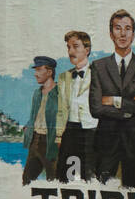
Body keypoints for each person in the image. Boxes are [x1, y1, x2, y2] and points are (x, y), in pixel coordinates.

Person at [88, 9, 135, 189]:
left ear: (133, 34)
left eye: (127, 28)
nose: (123, 33)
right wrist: (132, 103)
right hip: (106, 142)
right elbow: (95, 108)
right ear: (111, 34)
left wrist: (114, 100)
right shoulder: (99, 66)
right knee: (101, 196)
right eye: (118, 28)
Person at [56, 30, 98, 181]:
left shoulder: (99, 73)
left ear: (87, 50)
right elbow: (61, 110)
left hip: (92, 131)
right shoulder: (63, 77)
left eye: (75, 46)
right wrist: (59, 136)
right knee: (66, 175)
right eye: (68, 47)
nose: (71, 51)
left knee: (90, 174)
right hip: (70, 131)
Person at [22, 55, 59, 184]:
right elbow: (33, 116)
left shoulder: (60, 92)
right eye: (35, 70)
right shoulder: (37, 93)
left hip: (51, 143)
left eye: (38, 70)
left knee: (54, 179)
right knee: (27, 180)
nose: (35, 74)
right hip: (34, 140)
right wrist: (27, 127)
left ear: (49, 72)